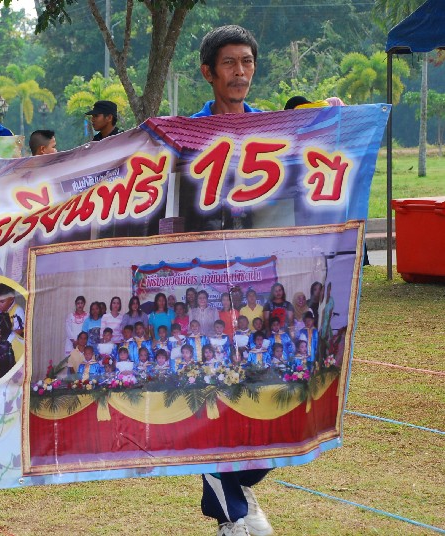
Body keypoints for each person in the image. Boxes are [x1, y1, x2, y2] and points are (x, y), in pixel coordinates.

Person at [191, 25, 274, 536]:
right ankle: (233, 518)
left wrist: (333, 118)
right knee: (211, 395)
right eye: (229, 63)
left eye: (247, 62)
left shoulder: (274, 130)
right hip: (204, 290)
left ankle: (239, 484)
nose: (240, 72)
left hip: (260, 285)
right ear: (208, 72)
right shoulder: (184, 135)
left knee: (267, 392)